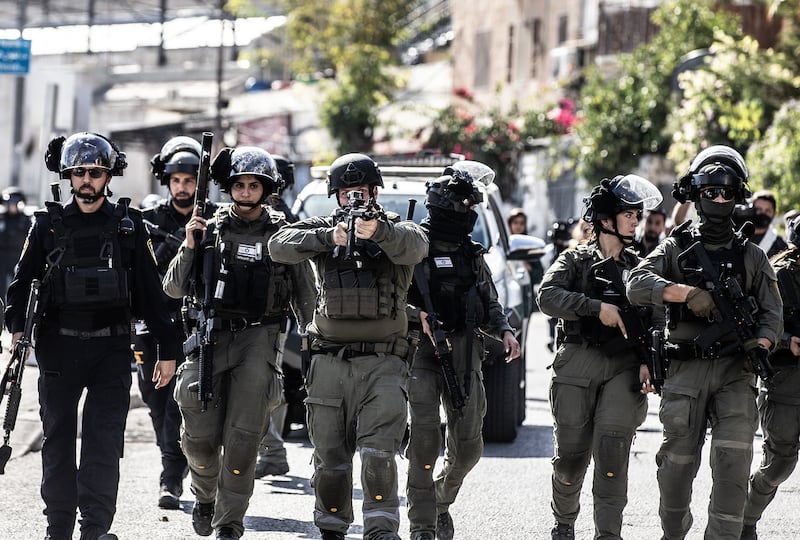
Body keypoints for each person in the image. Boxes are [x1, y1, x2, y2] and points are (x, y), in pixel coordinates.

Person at [4, 132, 181, 540]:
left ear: (108, 176)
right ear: (68, 175)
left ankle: (95, 529)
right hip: (58, 350)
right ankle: (58, 529)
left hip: (111, 349)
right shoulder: (46, 225)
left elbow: (152, 293)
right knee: (58, 443)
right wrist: (16, 331)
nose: (87, 180)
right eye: (80, 172)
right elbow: (20, 285)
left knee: (103, 445)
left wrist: (167, 350)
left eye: (95, 173)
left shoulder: (129, 226)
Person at [267, 152, 428, 540]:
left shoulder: (398, 230)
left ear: (375, 192)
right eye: (345, 193)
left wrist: (380, 234)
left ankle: (381, 526)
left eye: (360, 192)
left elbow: (417, 246)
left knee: (378, 454)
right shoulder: (325, 229)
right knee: (331, 461)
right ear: (335, 197)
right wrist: (330, 237)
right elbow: (277, 245)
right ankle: (332, 526)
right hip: (328, 364)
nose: (353, 200)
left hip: (384, 363)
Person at [626, 145, 783, 539]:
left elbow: (772, 314)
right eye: (710, 191)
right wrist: (683, 294)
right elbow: (636, 284)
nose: (718, 199)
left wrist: (762, 341)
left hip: (736, 371)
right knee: (676, 469)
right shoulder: (675, 249)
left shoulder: (752, 256)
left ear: (737, 196)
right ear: (696, 194)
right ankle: (674, 532)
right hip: (686, 372)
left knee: (733, 468)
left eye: (727, 192)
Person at [163, 146, 315, 540]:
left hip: (260, 338)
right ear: (229, 188)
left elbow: (306, 297)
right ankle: (205, 496)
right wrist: (190, 244)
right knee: (198, 437)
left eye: (254, 185)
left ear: (267, 190)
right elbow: (174, 287)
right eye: (239, 185)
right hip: (211, 336)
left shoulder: (283, 235)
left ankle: (230, 521)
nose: (246, 192)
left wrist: (315, 343)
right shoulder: (207, 228)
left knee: (244, 438)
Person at [537, 173, 663, 539]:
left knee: (611, 457)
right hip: (577, 360)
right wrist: (595, 308)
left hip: (624, 368)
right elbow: (547, 297)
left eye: (638, 216)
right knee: (571, 460)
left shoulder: (640, 268)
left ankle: (608, 534)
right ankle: (564, 523)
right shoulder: (574, 260)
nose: (636, 222)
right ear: (606, 219)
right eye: (629, 214)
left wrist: (647, 361)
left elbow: (657, 317)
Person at [405, 162, 520, 540]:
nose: (473, 214)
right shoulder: (412, 247)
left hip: (464, 349)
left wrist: (504, 330)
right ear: (451, 208)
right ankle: (422, 522)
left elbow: (489, 298)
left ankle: (440, 500)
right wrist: (416, 315)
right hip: (420, 351)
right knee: (424, 440)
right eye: (469, 207)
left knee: (469, 446)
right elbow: (388, 301)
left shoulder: (471, 253)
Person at [134, 135, 217, 509]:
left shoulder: (214, 221)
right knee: (156, 400)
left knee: (180, 405)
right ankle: (173, 462)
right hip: (153, 326)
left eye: (190, 180)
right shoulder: (147, 221)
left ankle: (172, 479)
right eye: (177, 180)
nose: (183, 187)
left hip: (197, 325)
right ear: (166, 182)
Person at [741, 215, 800, 540]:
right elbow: (758, 324)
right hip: (785, 384)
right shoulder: (779, 277)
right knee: (779, 464)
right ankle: (745, 519)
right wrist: (788, 340)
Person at [255, 153, 299, 479]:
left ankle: (272, 450)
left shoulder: (277, 220)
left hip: (270, 318)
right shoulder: (288, 216)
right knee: (273, 383)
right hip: (275, 317)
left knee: (263, 386)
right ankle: (272, 449)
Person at [0, 186, 33, 299]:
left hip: (18, 256)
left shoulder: (26, 221)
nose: (12, 207)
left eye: (15, 204)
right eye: (9, 204)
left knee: (18, 286)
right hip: (2, 257)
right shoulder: (2, 219)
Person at [749, 190, 788, 258]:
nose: (763, 213)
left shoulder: (780, 246)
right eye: (759, 209)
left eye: (768, 211)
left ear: (774, 213)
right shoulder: (736, 235)